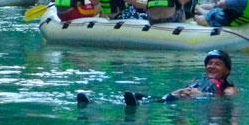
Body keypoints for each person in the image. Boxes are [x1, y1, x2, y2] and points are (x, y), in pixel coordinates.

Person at [79, 50, 238, 106]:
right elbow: (185, 91)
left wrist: (203, 96)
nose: (211, 66)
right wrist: (177, 92)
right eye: (209, 63)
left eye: (217, 64)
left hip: (196, 102)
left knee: (158, 101)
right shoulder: (199, 80)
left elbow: (226, 101)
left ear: (226, 70)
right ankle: (95, 102)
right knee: (146, 98)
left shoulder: (228, 88)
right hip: (179, 99)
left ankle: (136, 105)